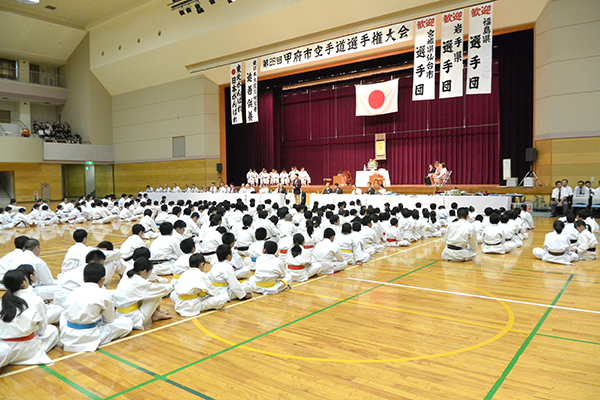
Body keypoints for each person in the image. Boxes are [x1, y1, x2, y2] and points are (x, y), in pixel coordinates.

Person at [59, 263, 133, 352]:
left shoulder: (73, 292)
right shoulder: (104, 294)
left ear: (83, 279)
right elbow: (110, 320)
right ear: (102, 279)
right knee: (127, 322)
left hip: (68, 336)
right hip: (90, 336)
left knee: (63, 315)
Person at [0, 269, 59, 368]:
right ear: (24, 283)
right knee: (52, 330)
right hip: (27, 349)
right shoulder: (35, 299)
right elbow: (42, 329)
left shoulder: (2, 301)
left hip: (4, 346)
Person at [114, 258, 173, 330]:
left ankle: (156, 314)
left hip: (119, 315)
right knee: (156, 294)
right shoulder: (140, 283)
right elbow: (161, 289)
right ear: (145, 271)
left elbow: (141, 285)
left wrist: (151, 282)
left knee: (152, 290)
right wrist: (173, 285)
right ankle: (155, 315)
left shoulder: (127, 277)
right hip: (133, 319)